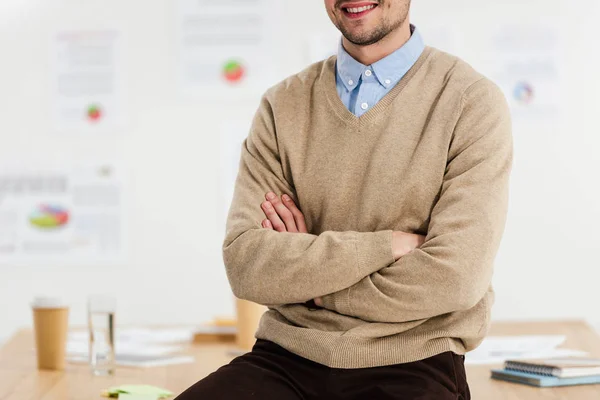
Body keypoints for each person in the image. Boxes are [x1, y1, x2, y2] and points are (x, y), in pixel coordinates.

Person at [177, 0, 512, 398]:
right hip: (286, 356)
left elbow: (455, 277)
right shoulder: (281, 106)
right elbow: (247, 264)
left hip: (411, 363)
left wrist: (311, 286)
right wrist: (386, 246)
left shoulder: (470, 101)